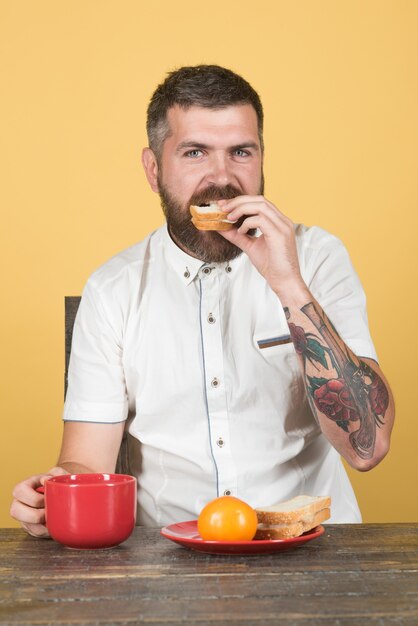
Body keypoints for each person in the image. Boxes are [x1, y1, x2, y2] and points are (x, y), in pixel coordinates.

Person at [11, 65, 394, 536]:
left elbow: (367, 449)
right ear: (154, 170)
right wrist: (56, 491)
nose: (222, 177)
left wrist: (288, 284)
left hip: (311, 553)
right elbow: (86, 460)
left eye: (241, 152)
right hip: (167, 560)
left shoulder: (317, 260)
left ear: (261, 160)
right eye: (195, 152)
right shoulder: (114, 289)